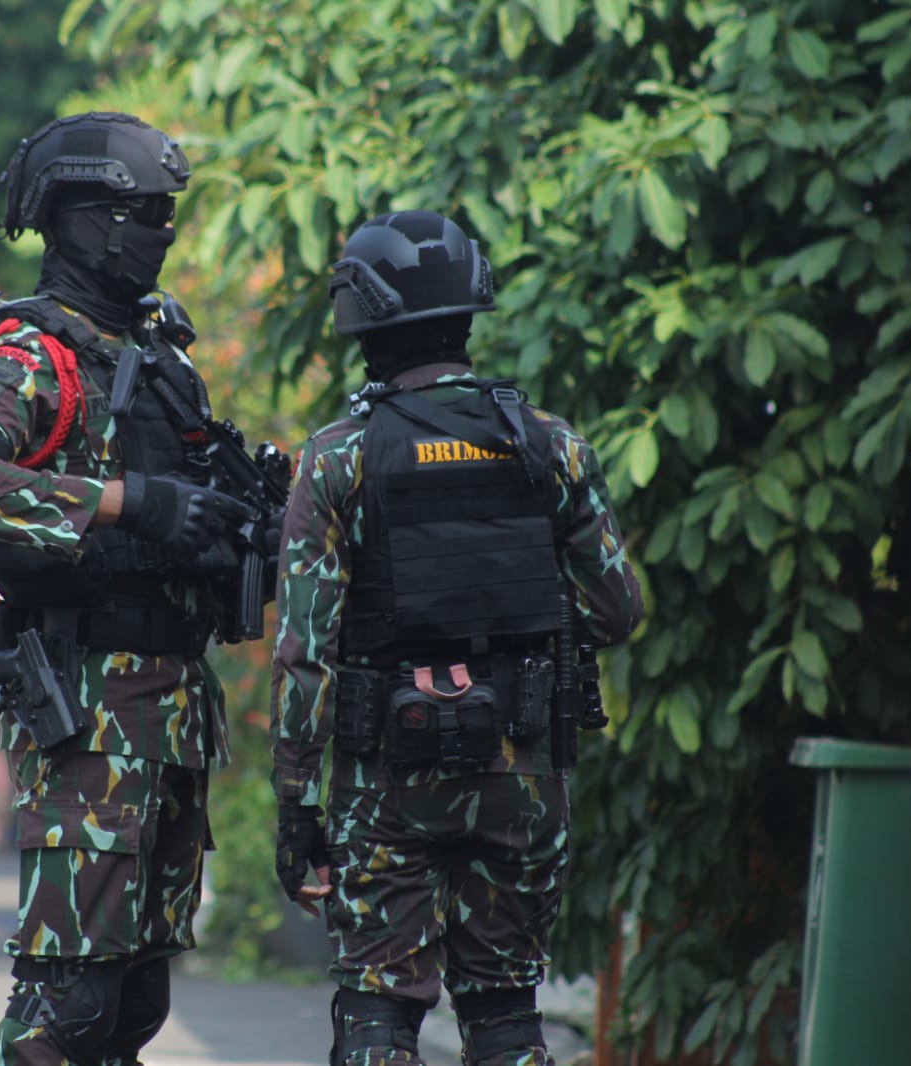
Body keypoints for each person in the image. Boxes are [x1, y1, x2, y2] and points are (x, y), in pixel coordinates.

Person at [0, 111, 261, 1065]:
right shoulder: (28, 354)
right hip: (89, 711)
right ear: (90, 219)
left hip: (169, 710)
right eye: (148, 212)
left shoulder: (156, 361)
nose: (162, 233)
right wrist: (126, 504)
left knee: (130, 1005)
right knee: (64, 1008)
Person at [269, 210, 645, 1066]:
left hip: (384, 778)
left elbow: (304, 657)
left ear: (361, 321)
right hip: (522, 769)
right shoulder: (550, 446)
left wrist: (295, 808)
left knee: (376, 1014)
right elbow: (617, 611)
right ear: (469, 309)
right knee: (506, 1015)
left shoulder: (336, 458)